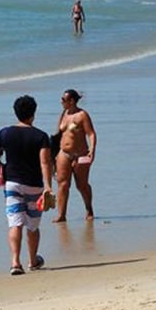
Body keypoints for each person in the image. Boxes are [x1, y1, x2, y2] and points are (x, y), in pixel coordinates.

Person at [0, 95, 53, 275]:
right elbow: (45, 163)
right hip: (34, 185)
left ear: (15, 113)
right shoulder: (41, 136)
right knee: (33, 225)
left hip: (12, 183)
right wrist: (48, 186)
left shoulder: (4, 133)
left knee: (15, 224)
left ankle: (15, 262)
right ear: (33, 114)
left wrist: (5, 167)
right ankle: (33, 261)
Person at [54, 89, 95, 222]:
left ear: (71, 101)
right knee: (63, 184)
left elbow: (91, 134)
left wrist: (92, 150)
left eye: (63, 99)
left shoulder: (82, 115)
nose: (61, 102)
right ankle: (61, 215)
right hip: (63, 153)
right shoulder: (63, 114)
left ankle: (89, 209)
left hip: (80, 153)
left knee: (81, 185)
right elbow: (58, 134)